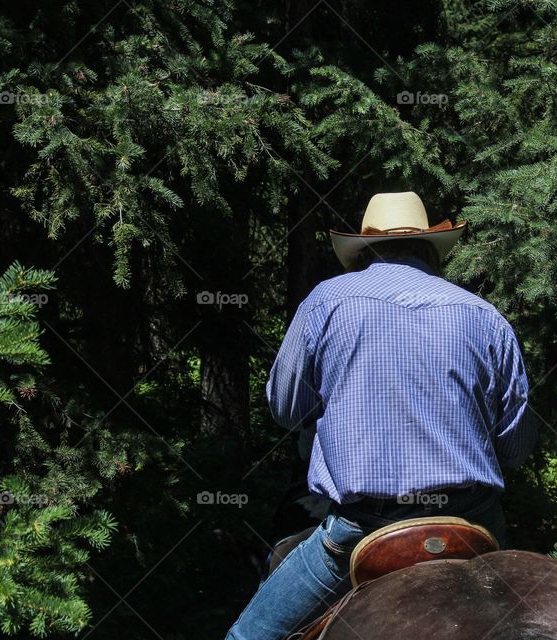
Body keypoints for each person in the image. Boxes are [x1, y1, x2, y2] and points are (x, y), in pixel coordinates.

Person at [226, 191, 537, 639]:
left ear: (363, 250)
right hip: (472, 522)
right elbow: (516, 445)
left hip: (365, 527)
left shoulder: (326, 302)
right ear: (431, 248)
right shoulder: (485, 316)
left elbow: (285, 409)